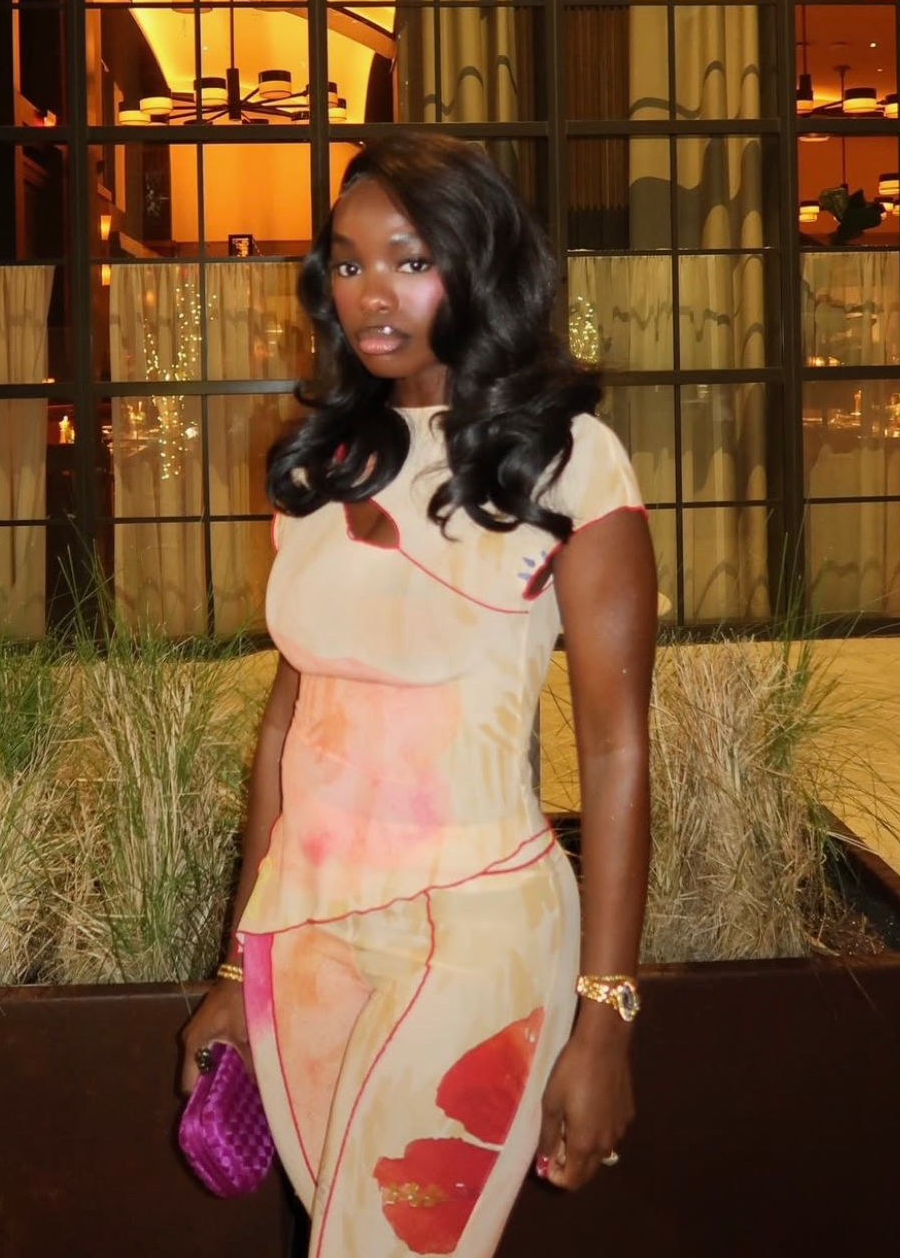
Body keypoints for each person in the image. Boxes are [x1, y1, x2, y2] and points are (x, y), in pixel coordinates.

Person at [182, 133, 656, 1258]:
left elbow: (617, 750)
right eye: (347, 264)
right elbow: (287, 729)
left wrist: (607, 1014)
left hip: (477, 924)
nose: (371, 293)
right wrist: (231, 967)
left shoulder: (573, 462)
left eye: (408, 258)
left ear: (478, 264)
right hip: (306, 936)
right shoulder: (319, 468)